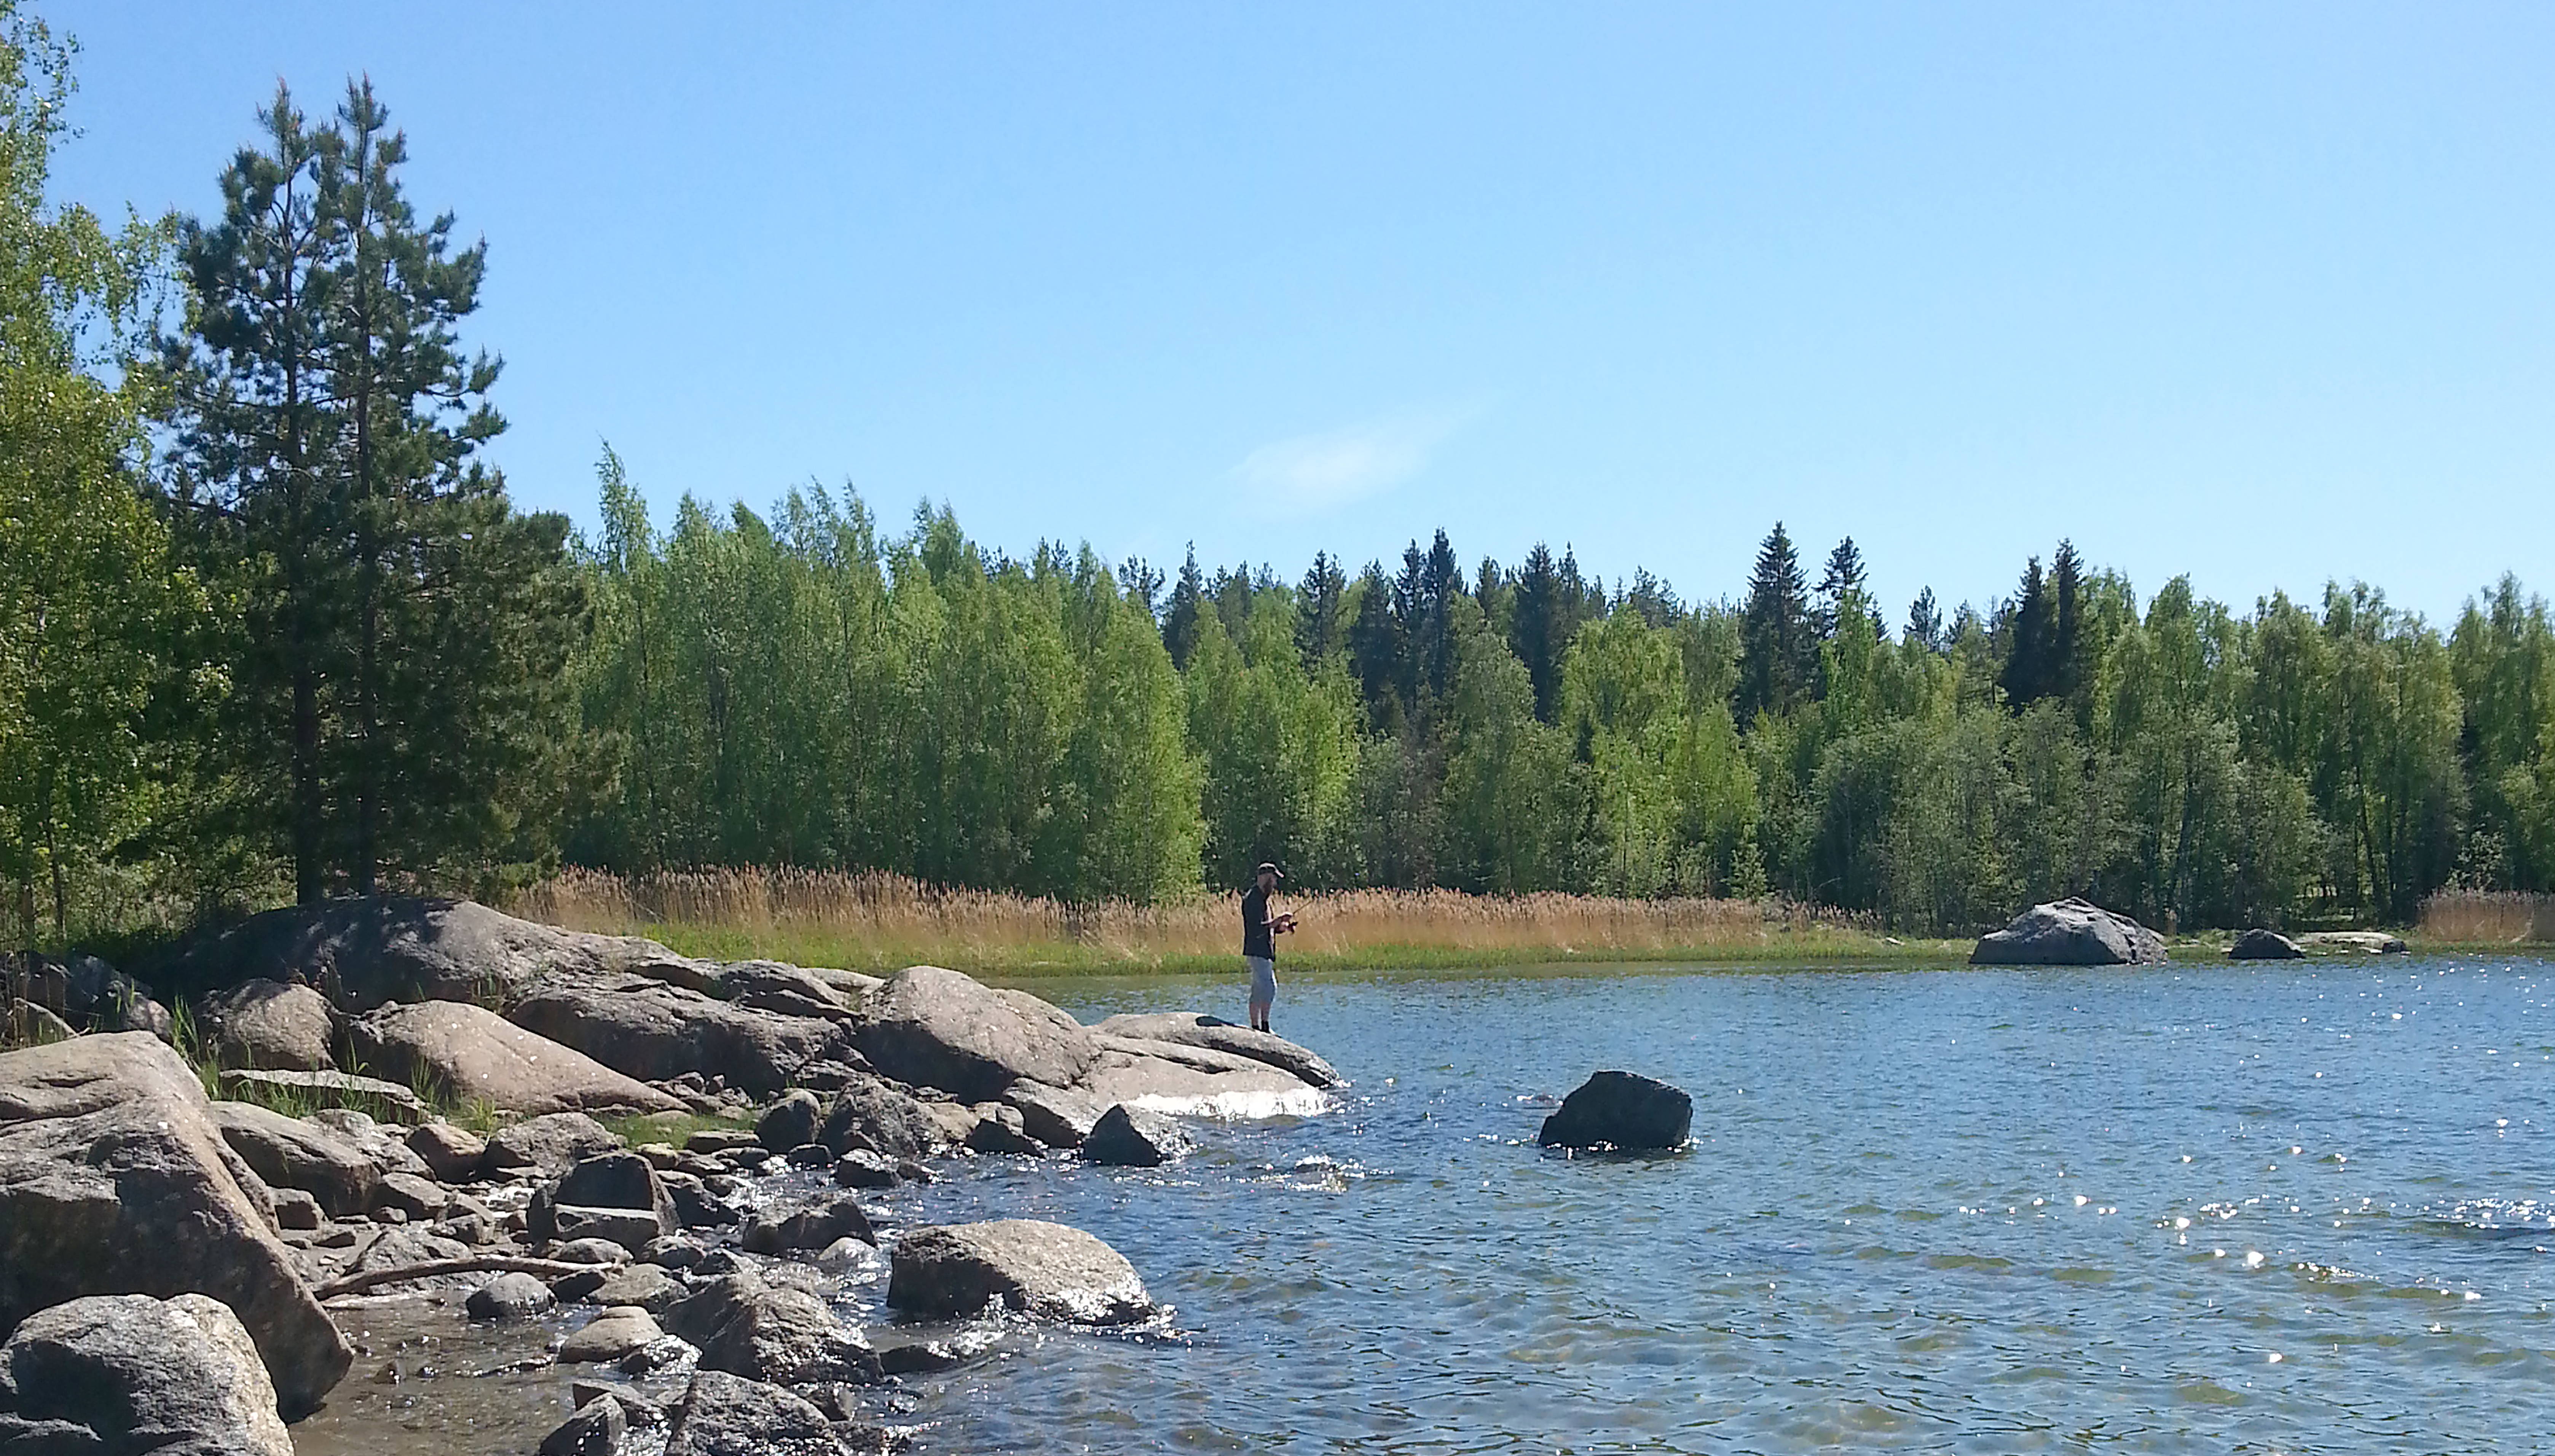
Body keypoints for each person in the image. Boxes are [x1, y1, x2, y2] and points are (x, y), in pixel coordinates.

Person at [1240, 861, 1295, 1032]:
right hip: (1257, 951)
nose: (1275, 884)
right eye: (1273, 879)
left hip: (1263, 951)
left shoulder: (1263, 899)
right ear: (1265, 877)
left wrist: (1282, 927)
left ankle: (1258, 1027)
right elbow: (1258, 927)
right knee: (1270, 987)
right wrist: (1278, 920)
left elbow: (1268, 927)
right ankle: (1263, 1027)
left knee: (1259, 989)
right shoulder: (1252, 899)